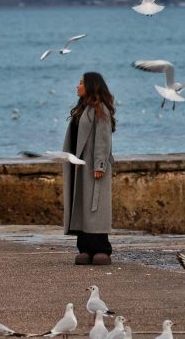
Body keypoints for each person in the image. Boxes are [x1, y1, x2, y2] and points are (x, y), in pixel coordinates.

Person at [62, 72, 116, 265]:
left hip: (93, 166)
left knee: (95, 208)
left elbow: (103, 138)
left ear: (91, 86)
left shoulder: (100, 109)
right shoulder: (82, 109)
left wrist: (100, 164)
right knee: (82, 207)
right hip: (79, 166)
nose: (77, 86)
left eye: (81, 83)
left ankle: (102, 249)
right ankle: (84, 248)